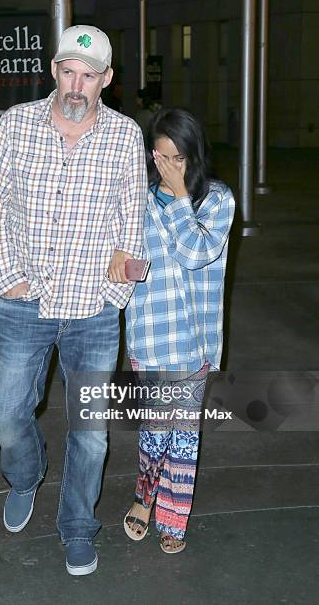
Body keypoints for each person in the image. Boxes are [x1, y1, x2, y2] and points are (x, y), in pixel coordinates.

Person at [0, 24, 147, 576]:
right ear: (54, 70)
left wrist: (115, 293)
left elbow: (132, 220)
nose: (77, 85)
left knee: (91, 435)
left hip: (94, 312)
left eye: (90, 76)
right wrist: (8, 282)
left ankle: (77, 526)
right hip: (25, 300)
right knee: (4, 413)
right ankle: (26, 475)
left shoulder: (124, 137)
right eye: (69, 71)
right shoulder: (17, 126)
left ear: (107, 80)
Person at [123, 107, 235, 553]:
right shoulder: (141, 200)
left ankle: (171, 515)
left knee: (184, 434)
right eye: (160, 157)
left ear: (195, 156)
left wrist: (179, 198)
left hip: (194, 339)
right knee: (156, 428)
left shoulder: (218, 200)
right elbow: (130, 258)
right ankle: (145, 498)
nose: (168, 167)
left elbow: (195, 253)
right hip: (151, 335)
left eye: (178, 158)